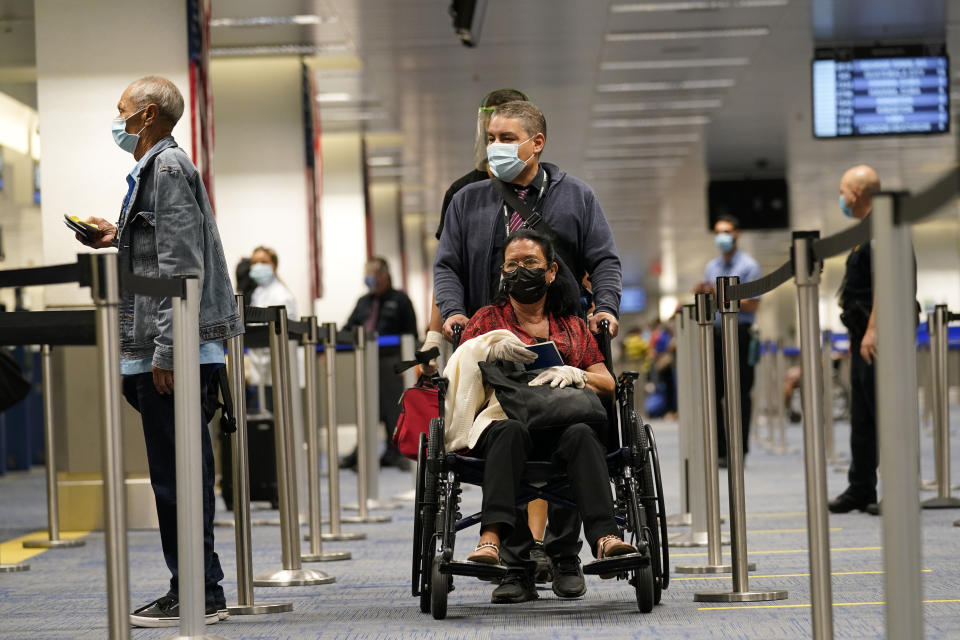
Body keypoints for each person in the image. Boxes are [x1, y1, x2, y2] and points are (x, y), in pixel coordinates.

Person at [434, 100, 622, 601]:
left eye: (506, 137)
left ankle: (564, 555)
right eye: (490, 137)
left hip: (565, 328)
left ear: (536, 143)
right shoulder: (467, 200)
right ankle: (514, 562)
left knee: (576, 426)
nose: (494, 146)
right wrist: (454, 314)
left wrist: (603, 308)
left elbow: (604, 259)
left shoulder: (576, 197)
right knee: (507, 430)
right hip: (492, 335)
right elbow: (446, 265)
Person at [77, 76, 240, 627]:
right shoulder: (156, 170)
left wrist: (170, 350)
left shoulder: (167, 169)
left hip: (168, 349)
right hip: (156, 344)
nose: (116, 119)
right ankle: (197, 586)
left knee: (178, 477)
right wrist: (116, 236)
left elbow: (183, 268)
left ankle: (197, 592)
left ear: (147, 115)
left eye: (122, 110)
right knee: (175, 474)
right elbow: (160, 251)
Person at [447, 229, 636, 603]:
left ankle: (593, 543)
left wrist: (578, 373)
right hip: (503, 419)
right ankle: (500, 548)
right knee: (509, 433)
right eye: (512, 265)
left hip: (559, 423)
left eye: (530, 263)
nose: (520, 271)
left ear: (550, 272)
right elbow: (462, 378)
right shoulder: (486, 322)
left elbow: (608, 384)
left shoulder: (571, 326)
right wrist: (487, 353)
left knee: (582, 435)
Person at [829, 165, 885, 515]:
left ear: (857, 194)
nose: (842, 197)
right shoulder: (866, 232)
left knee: (885, 414)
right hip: (860, 333)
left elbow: (886, 282)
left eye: (843, 190)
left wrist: (875, 329)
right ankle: (862, 487)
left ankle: (897, 489)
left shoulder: (883, 228)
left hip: (876, 335)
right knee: (863, 415)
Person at [696, 214, 762, 466]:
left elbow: (752, 305)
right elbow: (712, 302)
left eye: (727, 231)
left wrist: (719, 294)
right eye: (718, 232)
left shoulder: (749, 266)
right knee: (715, 394)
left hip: (739, 335)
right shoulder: (711, 267)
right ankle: (721, 450)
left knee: (740, 394)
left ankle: (739, 450)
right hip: (714, 335)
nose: (722, 236)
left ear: (737, 233)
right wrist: (704, 295)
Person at [343, 257, 418, 469]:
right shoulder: (363, 302)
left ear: (384, 275)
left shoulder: (400, 299)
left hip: (391, 361)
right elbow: (349, 327)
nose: (369, 279)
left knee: (393, 410)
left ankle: (398, 452)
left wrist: (409, 363)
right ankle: (363, 453)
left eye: (373, 274)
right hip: (365, 360)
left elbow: (410, 333)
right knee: (366, 407)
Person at [245, 245, 298, 409]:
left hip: (275, 370)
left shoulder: (282, 295)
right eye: (254, 262)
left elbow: (281, 335)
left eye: (263, 261)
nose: (258, 266)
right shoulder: (258, 292)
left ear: (274, 265)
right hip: (259, 370)